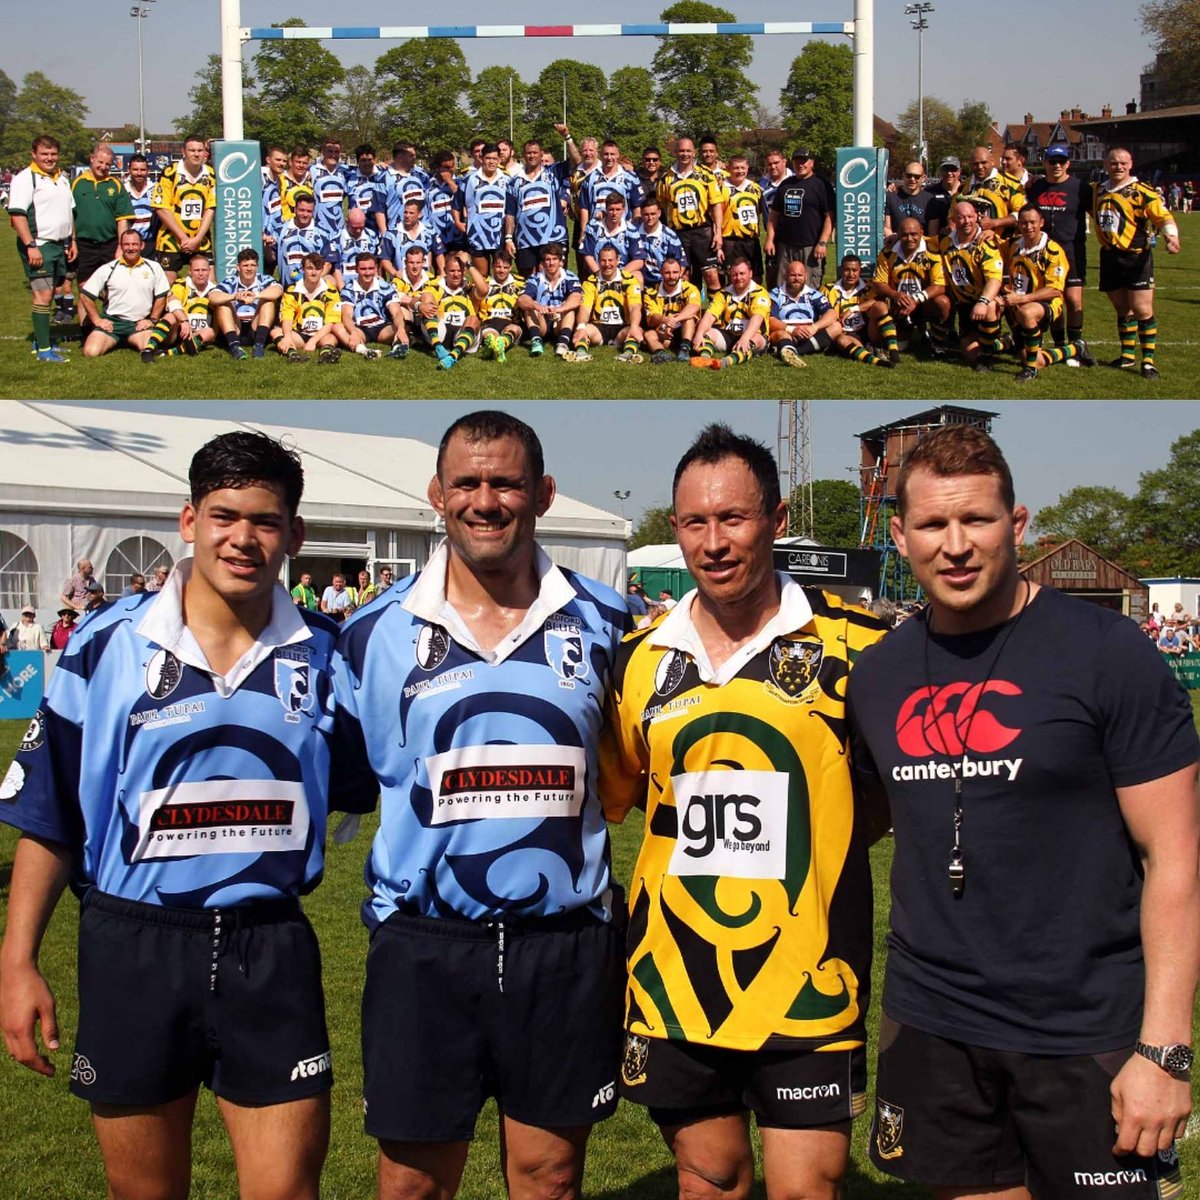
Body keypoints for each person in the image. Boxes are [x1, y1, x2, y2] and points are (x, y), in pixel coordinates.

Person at [846, 423, 1199, 1200]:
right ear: (900, 536)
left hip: (1084, 1026)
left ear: (1018, 523)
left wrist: (1166, 1050)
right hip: (934, 1019)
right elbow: (862, 819)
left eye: (977, 520)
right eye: (934, 525)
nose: (957, 545)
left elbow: (1175, 856)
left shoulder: (1108, 652)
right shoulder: (876, 676)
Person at [0, 430, 337, 1200]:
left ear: (294, 533)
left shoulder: (327, 653)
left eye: (264, 520)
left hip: (269, 946)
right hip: (134, 946)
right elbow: (49, 815)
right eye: (224, 515)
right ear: (189, 521)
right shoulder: (104, 645)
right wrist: (17, 961)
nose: (242, 538)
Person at [328, 410, 627, 1200]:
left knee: (551, 1180)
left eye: (506, 483)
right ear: (437, 492)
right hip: (425, 949)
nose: (485, 501)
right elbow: (343, 776)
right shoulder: (370, 633)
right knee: (411, 1187)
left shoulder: (609, 625)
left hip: (562, 949)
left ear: (544, 495)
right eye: (467, 482)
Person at [600, 423, 887, 1200]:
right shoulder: (638, 655)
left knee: (806, 1189)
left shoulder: (858, 647)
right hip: (672, 976)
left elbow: (895, 796)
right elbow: (620, 792)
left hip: (809, 975)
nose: (714, 542)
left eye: (734, 518)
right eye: (695, 522)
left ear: (778, 519)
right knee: (711, 1177)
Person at [1093, 146, 1180, 381]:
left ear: (1131, 164)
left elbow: (1163, 216)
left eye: (1122, 163)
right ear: (1105, 164)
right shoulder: (1099, 190)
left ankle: (1148, 362)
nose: (1118, 166)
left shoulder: (1142, 191)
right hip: (1109, 256)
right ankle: (1127, 355)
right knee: (1122, 308)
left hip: (1136, 256)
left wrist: (1172, 236)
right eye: (1113, 162)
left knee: (1142, 309)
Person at [999, 205, 1095, 381]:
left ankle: (1030, 370)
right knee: (1037, 359)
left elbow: (1054, 290)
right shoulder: (1013, 245)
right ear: (1018, 225)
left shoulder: (1053, 251)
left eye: (1032, 222)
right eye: (1024, 223)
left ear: (1041, 223)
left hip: (1046, 304)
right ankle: (1076, 348)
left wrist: (1022, 298)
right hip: (1018, 302)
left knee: (1026, 313)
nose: (1028, 227)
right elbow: (994, 246)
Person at [9, 134, 77, 363]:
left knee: (52, 294)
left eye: (53, 154)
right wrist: (31, 246)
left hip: (59, 245)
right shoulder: (25, 179)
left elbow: (69, 213)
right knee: (43, 295)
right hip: (39, 245)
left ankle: (43, 341)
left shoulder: (63, 178)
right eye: (44, 154)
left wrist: (72, 240)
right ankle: (44, 350)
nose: (49, 158)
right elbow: (18, 214)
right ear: (34, 154)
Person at [1025, 143, 1092, 354]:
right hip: (1043, 250)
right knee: (1052, 298)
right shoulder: (1036, 187)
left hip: (1071, 248)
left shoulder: (1081, 188)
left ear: (1068, 164)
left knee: (1073, 299)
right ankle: (1060, 343)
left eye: (1061, 162)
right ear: (1044, 163)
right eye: (1052, 161)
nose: (1056, 165)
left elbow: (1099, 213)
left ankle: (1076, 344)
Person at [78, 229, 170, 361]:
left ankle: (126, 340)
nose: (131, 248)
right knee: (91, 352)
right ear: (121, 246)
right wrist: (97, 320)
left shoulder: (154, 267)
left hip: (139, 323)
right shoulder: (108, 268)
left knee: (149, 347)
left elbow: (161, 296)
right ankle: (118, 339)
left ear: (142, 245)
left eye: (134, 244)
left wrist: (152, 320)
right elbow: (85, 295)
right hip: (113, 323)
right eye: (126, 244)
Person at [71, 143, 135, 330]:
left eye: (108, 164)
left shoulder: (115, 185)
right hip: (85, 244)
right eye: (100, 162)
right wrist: (73, 241)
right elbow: (70, 217)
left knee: (113, 288)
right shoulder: (76, 183)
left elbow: (122, 219)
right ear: (91, 158)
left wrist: (120, 247)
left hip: (110, 244)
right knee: (84, 287)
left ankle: (112, 326)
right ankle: (85, 329)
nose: (103, 167)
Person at [657, 137, 724, 293]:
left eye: (688, 151)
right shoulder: (666, 178)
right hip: (678, 233)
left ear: (694, 153)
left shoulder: (706, 175)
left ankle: (717, 316)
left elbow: (716, 205)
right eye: (681, 151)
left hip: (702, 231)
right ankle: (691, 315)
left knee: (711, 275)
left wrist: (718, 233)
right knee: (683, 276)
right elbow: (659, 206)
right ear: (675, 152)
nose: (685, 154)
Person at [150, 133, 215, 283]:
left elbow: (210, 208)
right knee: (166, 286)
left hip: (200, 240)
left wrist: (197, 238)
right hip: (171, 240)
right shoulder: (169, 173)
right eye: (192, 150)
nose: (196, 154)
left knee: (209, 283)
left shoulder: (211, 174)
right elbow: (161, 208)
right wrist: (183, 238)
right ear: (184, 152)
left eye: (200, 150)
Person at [765, 148, 833, 288]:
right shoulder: (786, 184)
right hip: (784, 245)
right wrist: (770, 239)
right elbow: (774, 215)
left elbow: (829, 217)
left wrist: (822, 243)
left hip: (810, 246)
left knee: (809, 288)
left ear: (812, 163)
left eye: (804, 161)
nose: (800, 164)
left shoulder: (821, 184)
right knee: (782, 287)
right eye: (797, 161)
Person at [689, 258, 771, 371]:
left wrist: (745, 337)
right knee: (706, 332)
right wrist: (699, 334)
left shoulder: (760, 293)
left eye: (742, 274)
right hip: (729, 334)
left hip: (753, 335)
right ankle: (704, 359)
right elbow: (709, 315)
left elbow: (757, 318)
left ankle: (726, 362)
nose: (738, 278)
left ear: (750, 273)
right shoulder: (723, 293)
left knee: (755, 339)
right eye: (734, 275)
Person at [569, 245, 645, 363]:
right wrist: (581, 327)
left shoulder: (630, 280)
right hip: (599, 327)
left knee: (637, 330)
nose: (607, 264)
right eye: (603, 260)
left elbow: (634, 307)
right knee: (583, 329)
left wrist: (634, 326)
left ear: (618, 260)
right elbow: (585, 308)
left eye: (611, 260)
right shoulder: (590, 281)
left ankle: (627, 354)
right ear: (598, 261)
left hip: (622, 326)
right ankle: (581, 353)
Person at [212, 247, 284, 360]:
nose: (249, 269)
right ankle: (234, 347)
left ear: (257, 267)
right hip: (236, 327)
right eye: (245, 265)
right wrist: (235, 296)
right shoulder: (230, 281)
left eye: (253, 265)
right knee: (222, 304)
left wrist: (256, 295)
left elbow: (278, 290)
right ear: (238, 267)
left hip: (256, 326)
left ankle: (259, 346)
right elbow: (213, 297)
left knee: (268, 301)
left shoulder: (264, 279)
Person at [768, 258, 841, 368]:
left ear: (805, 276)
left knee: (837, 327)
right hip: (787, 333)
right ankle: (789, 348)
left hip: (809, 334)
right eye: (793, 275)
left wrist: (815, 327)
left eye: (800, 275)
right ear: (786, 275)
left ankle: (794, 351)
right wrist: (792, 330)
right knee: (779, 334)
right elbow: (770, 320)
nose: (797, 278)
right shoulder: (775, 294)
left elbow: (832, 313)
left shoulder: (813, 294)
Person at [517, 242, 583, 358]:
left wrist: (559, 309)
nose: (551, 263)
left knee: (570, 309)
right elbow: (522, 299)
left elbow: (576, 298)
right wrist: (537, 306)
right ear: (542, 263)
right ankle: (536, 342)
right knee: (530, 307)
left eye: (554, 259)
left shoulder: (570, 277)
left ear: (561, 262)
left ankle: (562, 343)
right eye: (547, 260)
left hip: (559, 320)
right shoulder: (535, 278)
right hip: (542, 320)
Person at [341, 252, 407, 360]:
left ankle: (398, 348)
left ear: (376, 268)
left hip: (382, 328)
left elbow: (396, 312)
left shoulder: (385, 286)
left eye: (371, 268)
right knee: (339, 328)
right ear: (356, 269)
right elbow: (346, 315)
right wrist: (353, 332)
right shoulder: (348, 289)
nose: (367, 272)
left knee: (402, 323)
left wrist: (401, 329)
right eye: (363, 269)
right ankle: (365, 351)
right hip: (360, 329)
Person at [643, 254, 702, 364]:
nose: (671, 276)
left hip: (686, 331)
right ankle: (660, 353)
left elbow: (693, 307)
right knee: (648, 334)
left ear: (680, 272)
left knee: (689, 319)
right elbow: (652, 318)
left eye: (675, 272)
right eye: (667, 273)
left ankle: (684, 349)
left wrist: (675, 320)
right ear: (661, 272)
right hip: (664, 332)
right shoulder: (651, 292)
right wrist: (664, 320)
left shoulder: (690, 288)